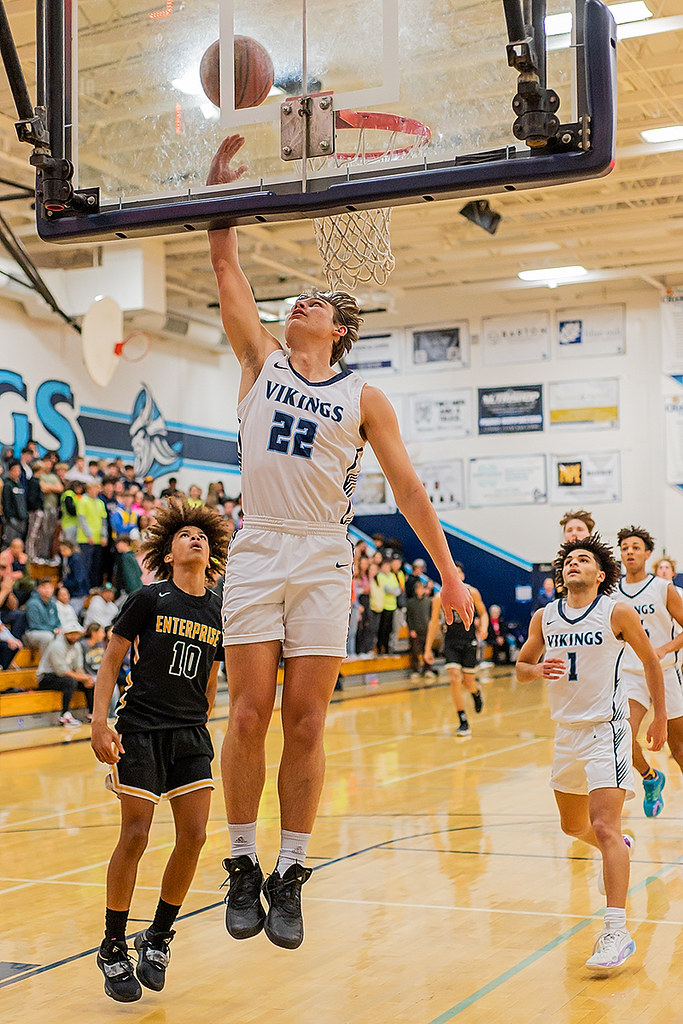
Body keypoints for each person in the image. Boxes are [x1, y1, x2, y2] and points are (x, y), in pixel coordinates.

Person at [207, 133, 474, 952]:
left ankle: (291, 869)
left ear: (342, 329)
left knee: (307, 722)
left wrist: (451, 572)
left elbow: (406, 491)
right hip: (257, 547)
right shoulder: (260, 359)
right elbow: (227, 273)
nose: (300, 306)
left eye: (316, 304)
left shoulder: (365, 397)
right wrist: (220, 196)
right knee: (248, 712)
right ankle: (244, 860)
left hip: (325, 553)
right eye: (296, 300)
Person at [90, 499, 230, 1003]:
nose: (195, 538)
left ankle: (158, 937)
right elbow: (110, 664)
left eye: (202, 535)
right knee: (136, 835)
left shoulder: (218, 609)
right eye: (184, 534)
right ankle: (111, 946)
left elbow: (213, 676)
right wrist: (99, 721)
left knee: (194, 837)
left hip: (190, 732)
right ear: (167, 553)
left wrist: (202, 715)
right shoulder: (148, 599)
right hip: (142, 729)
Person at [515, 534, 666, 971]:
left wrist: (656, 716)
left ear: (601, 575)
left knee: (603, 826)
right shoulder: (545, 618)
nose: (574, 564)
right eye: (569, 560)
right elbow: (523, 669)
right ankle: (621, 846)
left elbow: (650, 661)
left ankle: (616, 932)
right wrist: (537, 668)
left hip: (609, 730)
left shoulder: (615, 611)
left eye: (584, 559)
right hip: (566, 734)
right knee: (573, 826)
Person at [616, 526, 683, 817]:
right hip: (631, 675)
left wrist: (664, 649)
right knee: (622, 738)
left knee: (679, 748)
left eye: (635, 547)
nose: (629, 551)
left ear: (647, 554)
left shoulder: (662, 588)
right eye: (625, 547)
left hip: (666, 672)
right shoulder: (612, 593)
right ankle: (650, 777)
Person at [424, 562, 488, 737]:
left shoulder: (472, 592)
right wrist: (428, 648)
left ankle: (476, 692)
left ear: (462, 576)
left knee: (468, 682)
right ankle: (463, 720)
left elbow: (483, 613)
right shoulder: (439, 597)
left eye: (458, 572)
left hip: (469, 642)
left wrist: (484, 627)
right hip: (451, 642)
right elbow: (433, 622)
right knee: (454, 677)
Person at [36, 625, 93, 727]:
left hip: (65, 676)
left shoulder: (77, 646)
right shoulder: (57, 646)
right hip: (46, 677)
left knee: (90, 682)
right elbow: (62, 671)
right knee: (70, 682)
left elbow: (78, 668)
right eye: (72, 634)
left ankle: (92, 714)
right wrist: (84, 677)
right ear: (66, 634)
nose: (74, 636)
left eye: (77, 634)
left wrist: (86, 679)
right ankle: (64, 715)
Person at [23, 578, 61, 656]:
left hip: (51, 631)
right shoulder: (32, 603)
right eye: (45, 587)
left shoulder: (53, 603)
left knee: (67, 636)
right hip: (32, 633)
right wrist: (53, 630)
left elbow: (57, 621)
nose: (48, 590)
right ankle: (45, 665)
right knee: (47, 637)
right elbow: (34, 625)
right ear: (39, 589)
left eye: (50, 587)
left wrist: (60, 629)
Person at [406, 579, 432, 678]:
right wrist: (411, 629)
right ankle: (415, 670)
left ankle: (427, 669)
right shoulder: (411, 602)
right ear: (415, 590)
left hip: (427, 630)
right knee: (415, 651)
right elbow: (409, 617)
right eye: (418, 589)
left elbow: (432, 616)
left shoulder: (428, 601)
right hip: (415, 631)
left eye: (422, 588)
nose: (420, 590)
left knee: (427, 650)